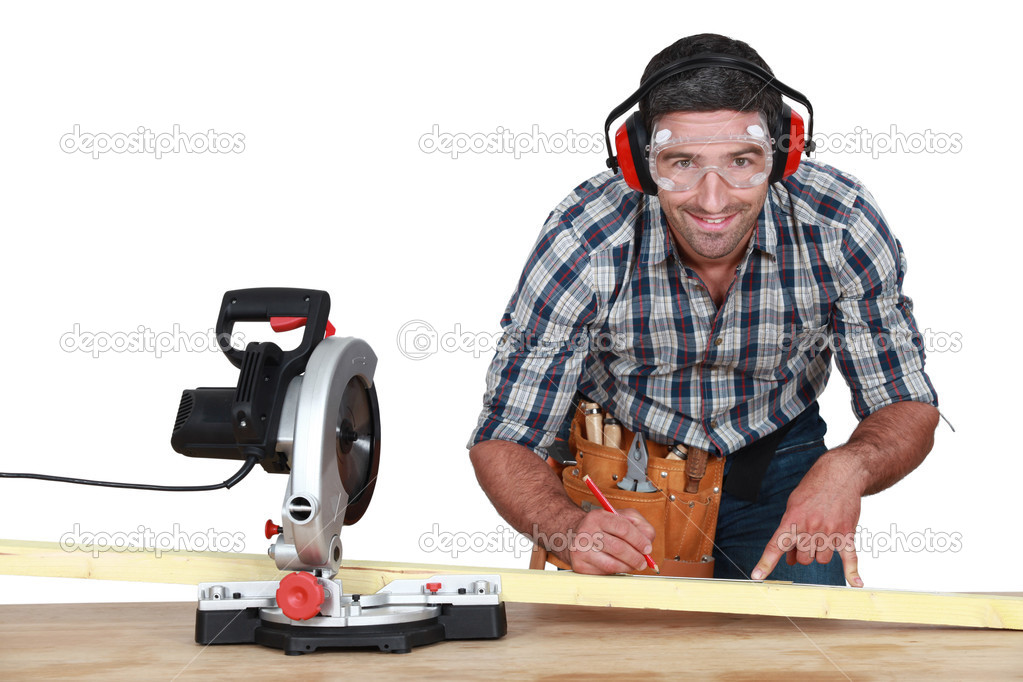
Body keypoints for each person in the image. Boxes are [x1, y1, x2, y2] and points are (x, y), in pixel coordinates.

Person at [467, 33, 939, 586]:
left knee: (800, 660)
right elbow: (505, 434)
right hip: (623, 468)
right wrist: (567, 529)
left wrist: (848, 468)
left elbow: (906, 401)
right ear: (640, 162)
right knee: (613, 665)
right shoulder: (584, 240)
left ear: (784, 152)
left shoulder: (840, 225)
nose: (712, 200)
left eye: (742, 161)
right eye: (682, 163)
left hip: (778, 455)